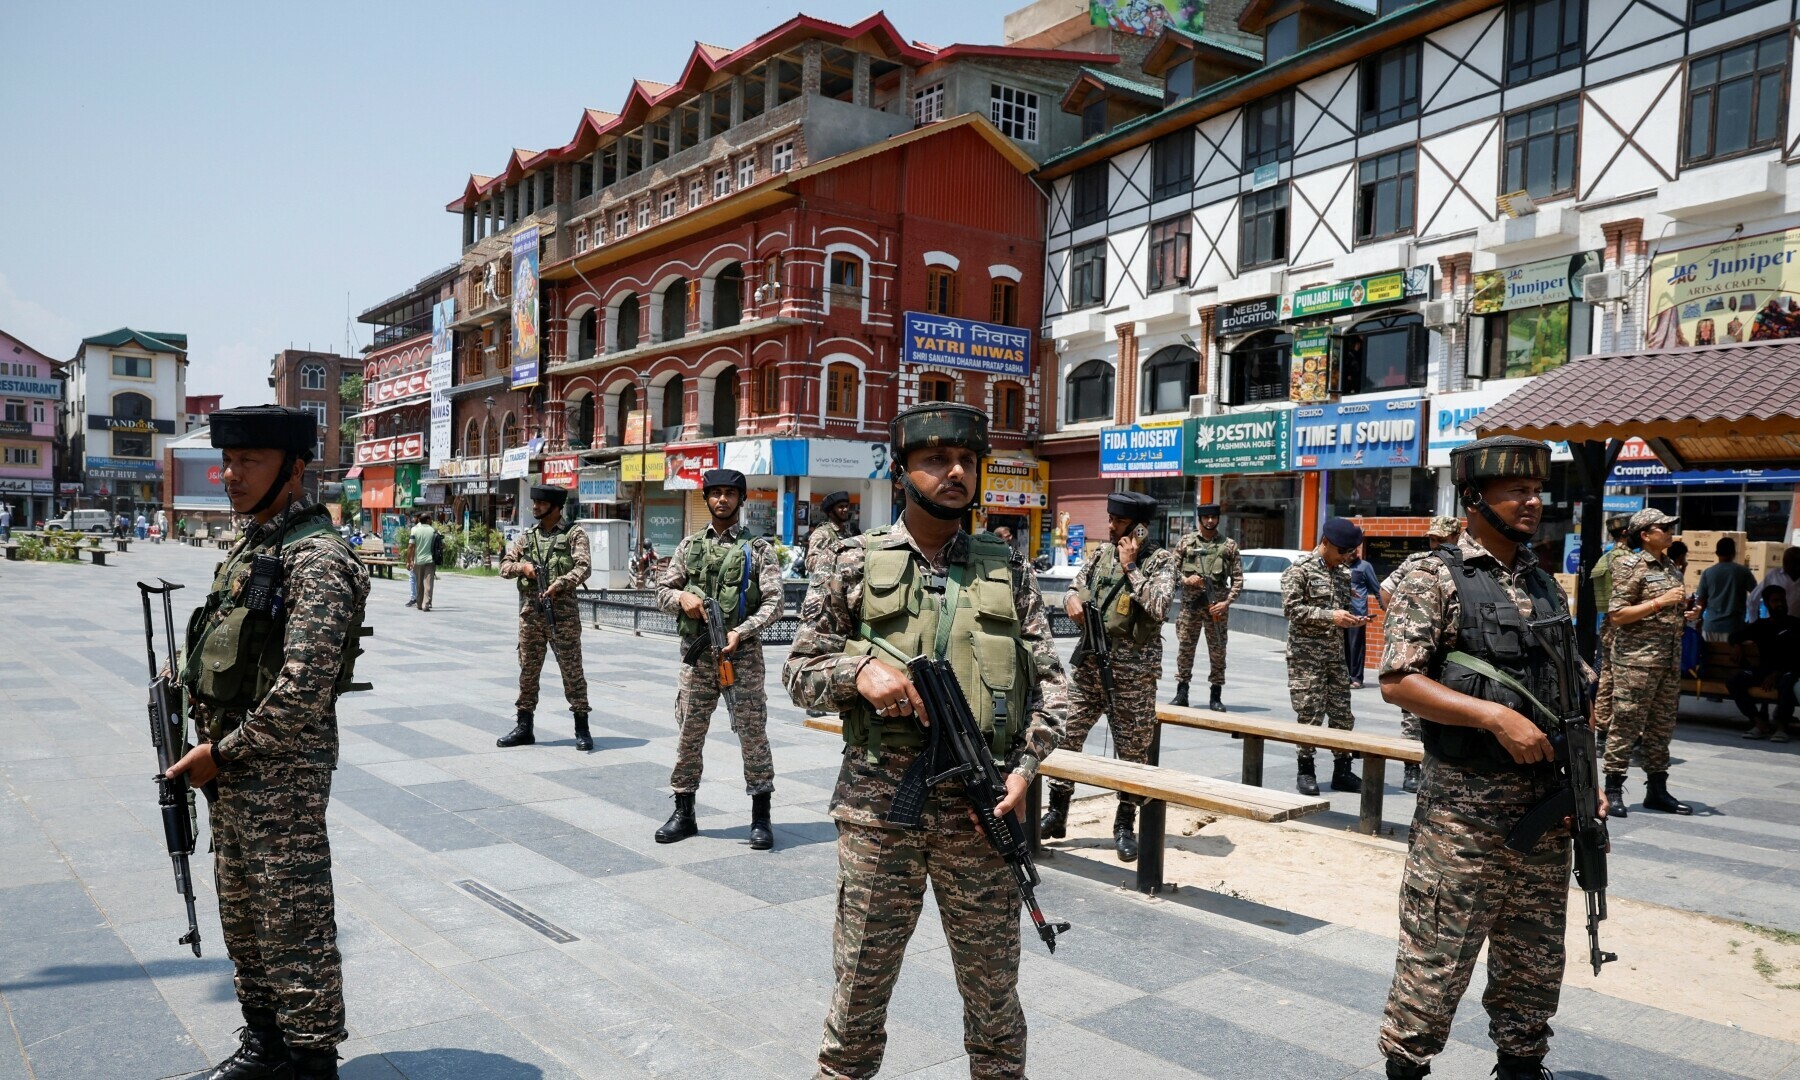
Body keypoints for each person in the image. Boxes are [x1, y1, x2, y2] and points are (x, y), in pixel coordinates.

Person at [783, 401, 1066, 1080]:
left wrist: (1026, 770)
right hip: (881, 812)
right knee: (858, 995)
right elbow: (798, 671)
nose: (956, 472)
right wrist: (859, 672)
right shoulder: (854, 562)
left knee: (995, 1003)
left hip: (982, 810)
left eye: (967, 461)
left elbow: (1054, 687)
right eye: (937, 459)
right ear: (903, 468)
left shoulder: (1011, 570)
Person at [1375, 434, 1606, 1080]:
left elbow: (1568, 683)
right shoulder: (1434, 577)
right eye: (1517, 491)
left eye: (1537, 490)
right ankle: (1407, 1065)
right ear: (1475, 500)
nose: (1533, 502)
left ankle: (1522, 1062)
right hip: (1463, 820)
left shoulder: (1543, 582)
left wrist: (1589, 785)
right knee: (1436, 956)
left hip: (1545, 811)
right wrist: (1493, 716)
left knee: (1533, 960)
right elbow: (1398, 679)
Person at [163, 405, 370, 1080]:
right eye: (230, 461)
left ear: (294, 470)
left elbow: (303, 691)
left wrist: (218, 755)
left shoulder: (318, 558)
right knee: (244, 912)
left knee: (293, 918)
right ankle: (266, 1045)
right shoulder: (254, 546)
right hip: (230, 769)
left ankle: (312, 1061)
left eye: (251, 462)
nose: (232, 475)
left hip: (279, 772)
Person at [651, 468, 785, 848]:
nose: (722, 499)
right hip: (697, 661)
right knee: (689, 735)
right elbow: (660, 591)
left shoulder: (758, 549)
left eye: (730, 493)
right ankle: (684, 811)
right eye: (715, 493)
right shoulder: (688, 547)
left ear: (741, 500)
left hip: (741, 659)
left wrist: (741, 631)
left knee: (753, 734)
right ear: (706, 498)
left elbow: (776, 603)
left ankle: (761, 816)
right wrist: (682, 599)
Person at [1045, 490, 1177, 861]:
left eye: (1118, 522)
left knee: (1132, 751)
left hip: (1133, 675)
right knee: (1065, 735)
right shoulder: (1100, 555)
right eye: (1111, 519)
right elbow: (1076, 586)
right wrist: (1070, 599)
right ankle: (1057, 812)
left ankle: (1124, 824)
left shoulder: (1160, 561)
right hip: (1089, 667)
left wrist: (1132, 566)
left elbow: (1158, 605)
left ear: (1139, 528)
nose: (1110, 526)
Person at [1605, 507, 1700, 816]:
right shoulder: (1632, 565)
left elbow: (1663, 611)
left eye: (1670, 527)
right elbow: (1617, 614)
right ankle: (1613, 789)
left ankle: (1657, 790)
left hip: (1668, 661)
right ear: (1645, 535)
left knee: (1661, 727)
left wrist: (1684, 614)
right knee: (1626, 724)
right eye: (1663, 527)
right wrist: (1660, 601)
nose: (1670, 531)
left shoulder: (1671, 566)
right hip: (1637, 661)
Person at [495, 486, 593, 751]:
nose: (535, 507)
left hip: (563, 617)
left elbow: (584, 567)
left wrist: (561, 583)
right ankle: (524, 726)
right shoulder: (528, 537)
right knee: (528, 671)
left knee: (572, 672)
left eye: (540, 503)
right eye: (534, 502)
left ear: (555, 506)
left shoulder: (574, 534)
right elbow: (504, 566)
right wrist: (522, 568)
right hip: (531, 616)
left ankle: (581, 727)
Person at [1281, 518, 1368, 796]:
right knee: (1309, 711)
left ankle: (1342, 769)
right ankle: (1305, 769)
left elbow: (1340, 610)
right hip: (1306, 655)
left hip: (1334, 654)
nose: (1346, 557)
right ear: (1326, 542)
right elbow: (1292, 610)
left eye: (1350, 552)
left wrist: (1353, 620)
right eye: (1343, 551)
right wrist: (1331, 616)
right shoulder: (1299, 571)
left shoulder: (1343, 574)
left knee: (1343, 713)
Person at [1378, 515, 1464, 794]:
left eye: (1441, 539)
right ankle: (1410, 769)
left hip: (1453, 655)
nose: (1435, 543)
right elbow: (1386, 590)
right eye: (1432, 538)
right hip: (1419, 649)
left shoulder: (1465, 563)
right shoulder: (1417, 561)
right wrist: (1403, 621)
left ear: (1455, 537)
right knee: (1412, 713)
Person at [1170, 502, 1244, 710]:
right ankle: (1182, 691)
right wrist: (1186, 581)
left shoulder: (1228, 545)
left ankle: (1216, 694)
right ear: (1199, 519)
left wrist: (1226, 603)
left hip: (1215, 607)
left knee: (1218, 649)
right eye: (1206, 517)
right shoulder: (1186, 543)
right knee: (1185, 647)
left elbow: (1238, 579)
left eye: (1214, 517)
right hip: (1190, 606)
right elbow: (1171, 573)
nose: (1210, 520)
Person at [1588, 516, 1635, 750]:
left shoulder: (1606, 557)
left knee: (1606, 677)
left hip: (1607, 622)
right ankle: (1618, 734)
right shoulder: (1626, 559)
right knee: (1620, 679)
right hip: (1624, 625)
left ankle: (1602, 733)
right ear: (1626, 532)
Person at [1729, 585, 1799, 741]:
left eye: (1782, 600)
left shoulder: (1795, 625)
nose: (1780, 604)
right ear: (1767, 604)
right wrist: (1737, 646)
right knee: (1734, 681)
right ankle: (1759, 723)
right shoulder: (1761, 625)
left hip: (1786, 672)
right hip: (1764, 672)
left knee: (1787, 683)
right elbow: (1734, 636)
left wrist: (1777, 673)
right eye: (1775, 601)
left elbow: (1796, 657)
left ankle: (1782, 727)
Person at [1696, 537, 1758, 643]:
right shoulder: (1743, 571)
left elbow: (1701, 601)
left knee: (1711, 658)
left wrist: (1699, 619)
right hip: (1734, 628)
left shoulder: (1708, 573)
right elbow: (1756, 594)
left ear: (1716, 553)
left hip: (1710, 627)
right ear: (1734, 552)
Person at [1345, 544, 1382, 689]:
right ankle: (1344, 677)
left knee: (1356, 647)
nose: (1353, 552)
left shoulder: (1365, 566)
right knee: (1342, 646)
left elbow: (1376, 588)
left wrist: (1384, 606)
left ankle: (1356, 679)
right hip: (1341, 612)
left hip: (1358, 613)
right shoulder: (1339, 566)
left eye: (1355, 550)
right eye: (1350, 550)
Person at [806, 490, 855, 575]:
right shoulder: (821, 533)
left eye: (847, 506)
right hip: (827, 586)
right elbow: (810, 564)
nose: (846, 509)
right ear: (831, 512)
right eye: (841, 507)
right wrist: (832, 553)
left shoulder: (847, 533)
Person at [1748, 546, 1800, 621]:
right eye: (1785, 561)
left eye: (1790, 562)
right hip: (1773, 626)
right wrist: (1754, 621)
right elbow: (1752, 599)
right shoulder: (1774, 575)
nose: (1784, 564)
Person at [407, 512, 438, 613]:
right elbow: (442, 545)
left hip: (418, 561)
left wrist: (409, 560)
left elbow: (411, 546)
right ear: (428, 520)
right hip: (430, 560)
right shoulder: (433, 531)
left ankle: (419, 603)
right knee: (428, 583)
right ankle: (426, 604)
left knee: (419, 583)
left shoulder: (415, 530)